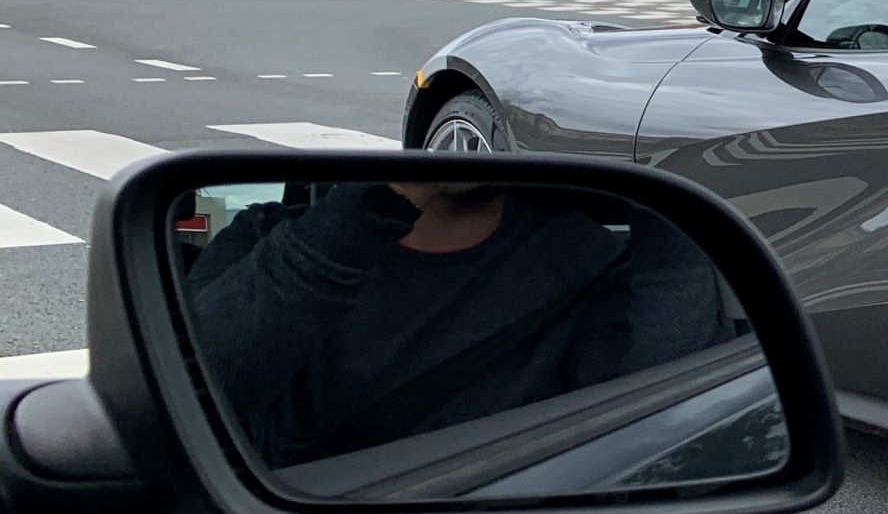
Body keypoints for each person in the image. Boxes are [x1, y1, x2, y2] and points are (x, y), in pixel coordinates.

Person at [179, 182, 718, 472]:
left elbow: (651, 420)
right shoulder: (276, 241)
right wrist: (381, 202)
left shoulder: (583, 265)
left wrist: (671, 199)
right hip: (292, 500)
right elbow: (197, 394)